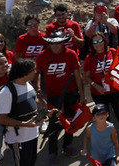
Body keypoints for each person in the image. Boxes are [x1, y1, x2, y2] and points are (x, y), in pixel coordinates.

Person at [36, 31, 84, 162]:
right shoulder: (43, 55)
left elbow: (77, 74)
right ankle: (52, 152)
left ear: (63, 42)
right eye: (52, 43)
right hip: (52, 94)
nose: (55, 46)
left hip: (70, 92)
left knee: (70, 120)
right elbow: (38, 73)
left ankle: (67, 145)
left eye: (58, 43)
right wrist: (39, 88)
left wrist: (82, 93)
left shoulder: (70, 54)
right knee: (53, 123)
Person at [82, 32, 119, 146]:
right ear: (92, 45)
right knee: (104, 117)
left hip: (114, 91)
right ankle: (110, 139)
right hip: (98, 92)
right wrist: (96, 85)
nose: (98, 44)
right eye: (95, 42)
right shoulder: (89, 58)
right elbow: (86, 77)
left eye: (100, 41)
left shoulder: (113, 52)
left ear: (105, 41)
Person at [0, 59, 45, 166]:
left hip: (33, 135)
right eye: (33, 70)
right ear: (25, 72)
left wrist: (45, 112)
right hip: (18, 139)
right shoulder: (6, 92)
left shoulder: (29, 84)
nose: (36, 72)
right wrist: (24, 124)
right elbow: (2, 119)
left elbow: (34, 100)